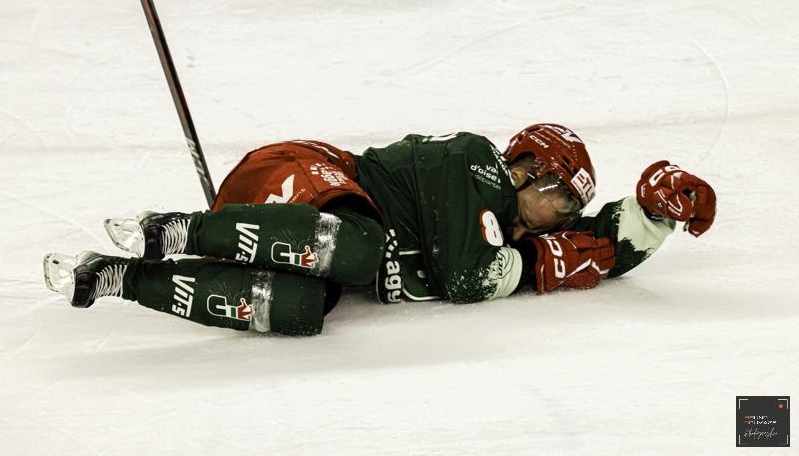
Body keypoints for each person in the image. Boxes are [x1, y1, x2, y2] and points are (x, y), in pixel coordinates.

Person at [43, 124, 716, 336]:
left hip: (299, 236)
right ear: (526, 168)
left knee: (303, 309)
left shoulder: (503, 225)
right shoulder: (476, 163)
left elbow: (587, 250)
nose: (566, 218)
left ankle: (115, 275)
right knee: (361, 248)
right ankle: (172, 230)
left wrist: (653, 218)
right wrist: (528, 266)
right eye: (563, 200)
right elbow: (468, 278)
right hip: (302, 176)